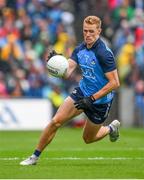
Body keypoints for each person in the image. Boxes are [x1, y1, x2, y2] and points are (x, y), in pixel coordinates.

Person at [20, 15, 120, 166]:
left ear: (99, 31)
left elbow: (115, 83)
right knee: (55, 121)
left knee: (88, 139)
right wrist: (57, 63)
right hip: (82, 92)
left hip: (100, 101)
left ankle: (111, 128)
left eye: (92, 31)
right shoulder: (79, 49)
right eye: (85, 31)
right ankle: (34, 157)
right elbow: (67, 72)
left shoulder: (103, 54)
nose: (88, 34)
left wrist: (92, 99)